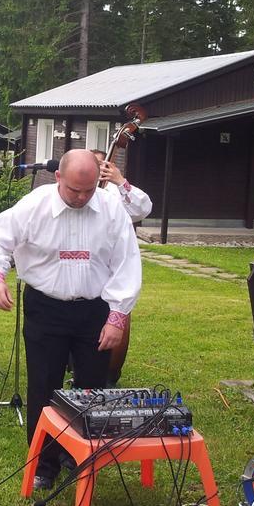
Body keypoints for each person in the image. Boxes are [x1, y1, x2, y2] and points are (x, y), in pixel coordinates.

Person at [0, 149, 142, 490]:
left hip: (94, 311)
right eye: (74, 190)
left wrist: (118, 316)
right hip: (45, 309)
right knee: (44, 388)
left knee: (90, 388)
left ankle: (81, 458)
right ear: (58, 178)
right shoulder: (34, 206)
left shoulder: (111, 209)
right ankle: (44, 464)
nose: (81, 197)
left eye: (89, 190)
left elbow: (127, 262)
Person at [91, 148, 152, 383]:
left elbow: (143, 209)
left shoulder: (116, 194)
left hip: (113, 272)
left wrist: (120, 181)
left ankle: (110, 373)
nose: (97, 169)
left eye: (101, 164)